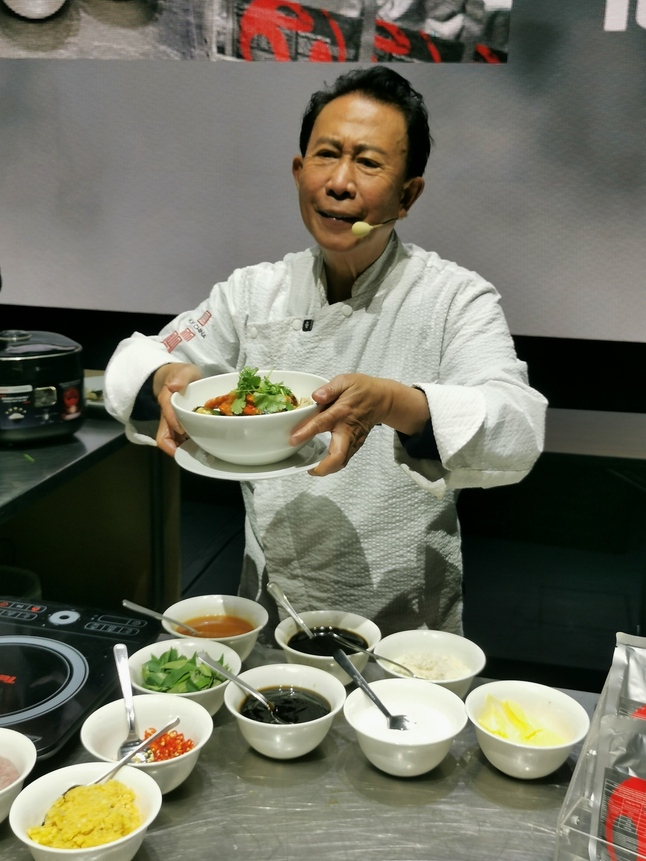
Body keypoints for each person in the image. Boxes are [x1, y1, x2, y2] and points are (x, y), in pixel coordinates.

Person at [104, 66, 547, 641]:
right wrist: (164, 375)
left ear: (408, 194)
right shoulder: (254, 292)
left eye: (368, 163)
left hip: (407, 630)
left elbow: (517, 424)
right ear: (299, 171)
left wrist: (393, 401)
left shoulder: (453, 297)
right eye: (327, 155)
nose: (340, 183)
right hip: (271, 615)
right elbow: (137, 359)